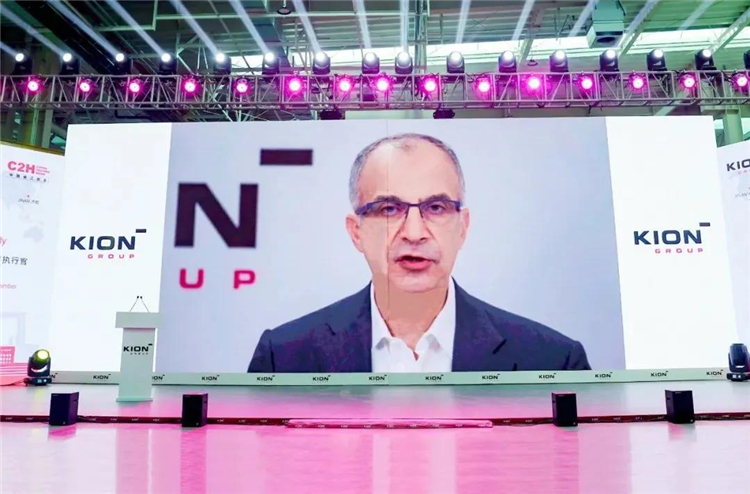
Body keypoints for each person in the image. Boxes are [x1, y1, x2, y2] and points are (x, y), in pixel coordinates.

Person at [248, 133, 590, 373]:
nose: (414, 233)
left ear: (463, 227)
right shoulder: (284, 357)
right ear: (356, 232)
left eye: (436, 207)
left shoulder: (553, 361)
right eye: (389, 209)